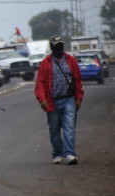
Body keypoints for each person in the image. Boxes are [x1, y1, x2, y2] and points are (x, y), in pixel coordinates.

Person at [35, 35, 84, 165]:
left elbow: (77, 80)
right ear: (52, 47)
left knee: (69, 128)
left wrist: (78, 97)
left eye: (61, 46)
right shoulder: (45, 63)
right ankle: (57, 153)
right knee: (54, 130)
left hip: (69, 100)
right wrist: (42, 99)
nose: (59, 48)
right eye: (57, 46)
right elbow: (39, 83)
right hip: (52, 102)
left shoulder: (71, 60)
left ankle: (69, 154)